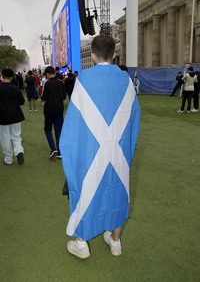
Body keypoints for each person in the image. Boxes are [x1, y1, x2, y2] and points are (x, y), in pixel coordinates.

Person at [59, 35, 141, 259]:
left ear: (93, 55)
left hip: (90, 151)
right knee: (118, 190)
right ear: (114, 54)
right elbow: (134, 117)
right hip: (120, 151)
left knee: (86, 189)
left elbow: (74, 123)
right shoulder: (126, 80)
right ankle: (115, 240)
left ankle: (81, 243)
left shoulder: (83, 79)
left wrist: (70, 151)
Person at [0, 68, 25, 165]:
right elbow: (22, 102)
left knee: (4, 138)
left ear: (2, 75)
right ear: (12, 77)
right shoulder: (15, 88)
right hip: (16, 116)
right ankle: (19, 151)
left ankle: (8, 159)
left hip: (3, 117)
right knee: (16, 135)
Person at [41, 66, 66, 159]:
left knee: (48, 130)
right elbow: (64, 96)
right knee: (58, 131)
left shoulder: (47, 83)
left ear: (47, 73)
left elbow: (44, 97)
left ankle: (53, 149)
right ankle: (59, 152)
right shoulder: (60, 82)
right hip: (59, 110)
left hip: (49, 110)